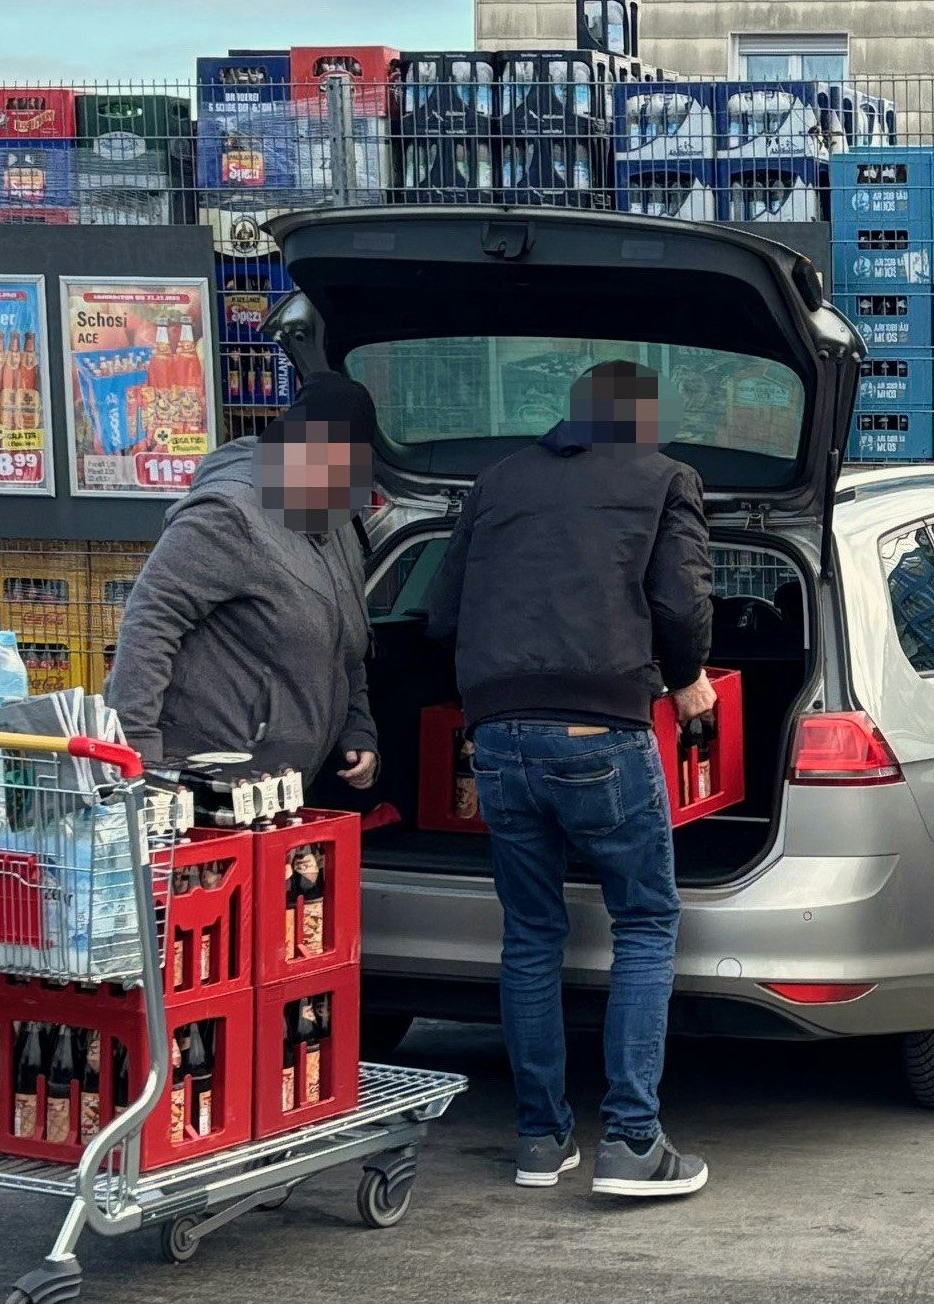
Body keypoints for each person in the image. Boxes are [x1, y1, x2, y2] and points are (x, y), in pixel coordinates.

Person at [426, 360, 716, 1199]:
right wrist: (686, 672)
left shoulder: (497, 480)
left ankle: (538, 1142)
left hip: (496, 738)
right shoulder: (664, 479)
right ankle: (631, 1143)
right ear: (643, 418)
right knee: (648, 921)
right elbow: (682, 601)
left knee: (529, 937)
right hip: (601, 730)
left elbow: (443, 613)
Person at [107, 373, 381, 788]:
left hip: (276, 780)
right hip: (201, 771)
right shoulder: (229, 514)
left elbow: (346, 641)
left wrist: (357, 728)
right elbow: (150, 621)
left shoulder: (336, 519)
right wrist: (137, 750)